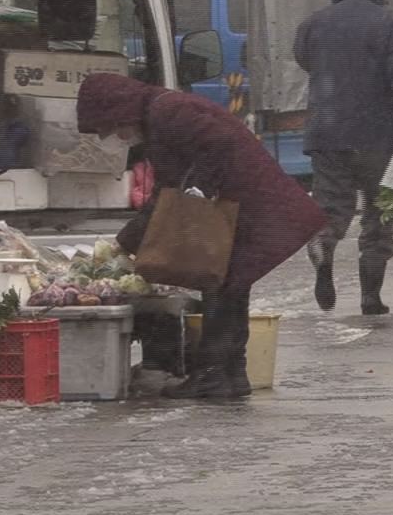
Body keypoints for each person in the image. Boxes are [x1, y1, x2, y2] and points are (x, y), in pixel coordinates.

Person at [77, 75, 325, 400]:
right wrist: (127, 241)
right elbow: (166, 192)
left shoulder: (170, 112)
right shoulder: (161, 115)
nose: (119, 138)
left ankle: (213, 377)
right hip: (241, 204)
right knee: (229, 286)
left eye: (112, 129)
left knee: (220, 287)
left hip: (244, 205)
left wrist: (197, 192)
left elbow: (215, 149)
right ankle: (231, 374)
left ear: (120, 111)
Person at [294, 0, 393, 316]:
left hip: (326, 131)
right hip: (377, 135)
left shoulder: (312, 25)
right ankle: (371, 295)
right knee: (380, 210)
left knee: (332, 205)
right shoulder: (389, 23)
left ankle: (324, 242)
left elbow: (303, 59)